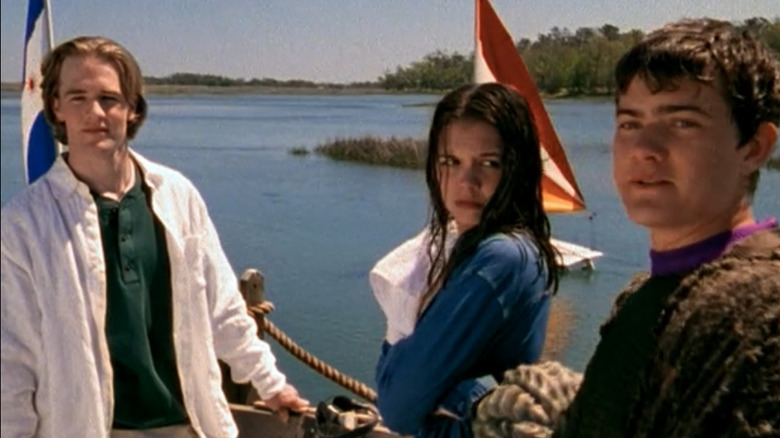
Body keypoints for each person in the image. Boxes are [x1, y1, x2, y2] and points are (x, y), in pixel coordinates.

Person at [472, 18, 780, 438]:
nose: (643, 150)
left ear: (754, 147)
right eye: (629, 124)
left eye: (681, 123)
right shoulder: (649, 297)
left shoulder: (762, 311)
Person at [1, 36, 308, 438]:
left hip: (190, 424)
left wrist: (270, 383)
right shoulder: (24, 225)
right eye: (77, 97)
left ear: (132, 108)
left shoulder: (176, 196)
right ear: (55, 106)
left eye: (110, 98)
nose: (95, 112)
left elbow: (223, 309)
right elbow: (12, 360)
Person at [371, 82, 559, 437]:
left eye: (488, 163)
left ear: (517, 168)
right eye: (450, 162)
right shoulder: (498, 244)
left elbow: (397, 407)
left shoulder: (501, 258)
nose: (466, 181)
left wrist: (401, 361)